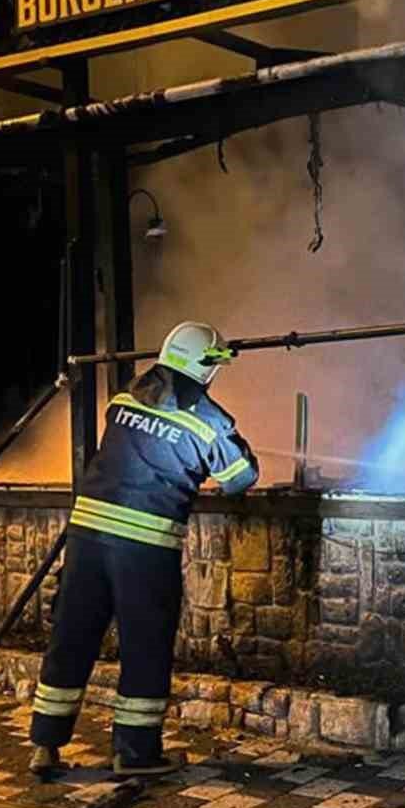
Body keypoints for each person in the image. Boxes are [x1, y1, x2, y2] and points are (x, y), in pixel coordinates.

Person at [29, 322, 259, 778]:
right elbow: (240, 478)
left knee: (72, 636)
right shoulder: (208, 420)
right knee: (144, 645)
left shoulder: (122, 400)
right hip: (144, 549)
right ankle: (134, 754)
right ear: (204, 367)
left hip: (87, 538)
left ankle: (44, 745)